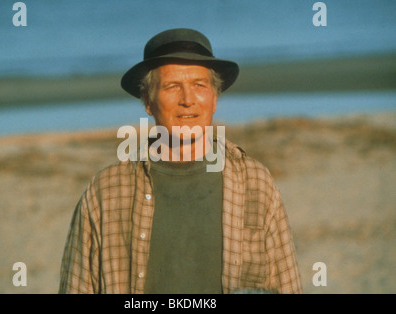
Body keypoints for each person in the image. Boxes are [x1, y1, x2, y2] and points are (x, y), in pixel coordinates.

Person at [59, 28, 302, 294]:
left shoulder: (256, 183)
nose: (188, 100)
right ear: (148, 102)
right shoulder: (104, 193)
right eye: (172, 86)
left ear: (214, 97)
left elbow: (288, 288)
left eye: (199, 85)